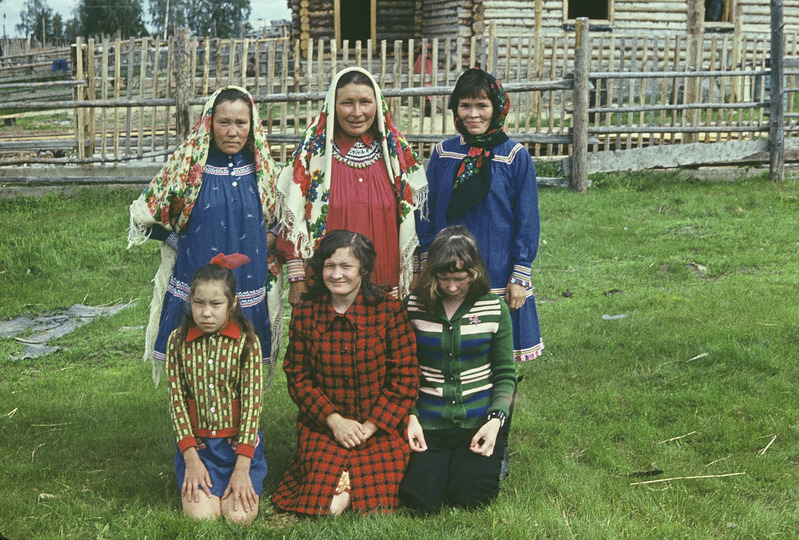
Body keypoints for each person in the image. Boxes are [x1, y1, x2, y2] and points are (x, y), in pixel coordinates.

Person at [416, 67, 543, 476]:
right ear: (455, 108)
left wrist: (520, 276)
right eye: (465, 105)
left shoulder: (514, 157)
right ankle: (448, 434)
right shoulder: (444, 154)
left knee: (497, 361)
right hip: (447, 276)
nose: (473, 114)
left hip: (498, 276)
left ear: (498, 107)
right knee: (453, 356)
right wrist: (425, 263)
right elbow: (429, 210)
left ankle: (497, 439)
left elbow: (526, 218)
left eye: (482, 105)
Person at [128, 86, 282, 385]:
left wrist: (272, 236)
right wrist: (179, 243)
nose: (232, 132)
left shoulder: (265, 173)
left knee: (243, 362)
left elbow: (284, 216)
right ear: (209, 123)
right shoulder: (188, 168)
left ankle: (243, 423)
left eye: (241, 123)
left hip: (247, 279)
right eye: (224, 122)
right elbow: (149, 210)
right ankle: (194, 423)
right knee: (195, 361)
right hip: (197, 277)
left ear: (252, 126)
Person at [272, 230, 419, 515]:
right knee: (325, 506)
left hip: (378, 429)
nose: (337, 274)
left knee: (375, 501)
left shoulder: (389, 312)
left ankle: (350, 482)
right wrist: (334, 421)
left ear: (363, 269)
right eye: (330, 266)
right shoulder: (306, 314)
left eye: (346, 266)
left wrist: (371, 425)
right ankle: (340, 482)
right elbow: (298, 375)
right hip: (323, 426)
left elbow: (405, 378)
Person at [275, 66, 427, 304]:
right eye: (347, 103)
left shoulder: (395, 155)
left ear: (378, 105)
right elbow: (292, 222)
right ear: (332, 106)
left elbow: (415, 221)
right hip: (328, 284)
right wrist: (296, 279)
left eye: (365, 102)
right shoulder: (313, 156)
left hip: (385, 282)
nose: (357, 112)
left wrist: (415, 271)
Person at [399, 226, 516, 514]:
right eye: (444, 278)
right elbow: (402, 370)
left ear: (475, 273)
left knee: (471, 499)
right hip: (428, 422)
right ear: (432, 274)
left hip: (478, 422)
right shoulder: (412, 306)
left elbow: (504, 374)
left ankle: (496, 452)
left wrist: (495, 421)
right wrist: (410, 417)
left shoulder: (494, 308)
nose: (452, 287)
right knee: (420, 501)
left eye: (460, 278)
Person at [166, 254, 268, 524]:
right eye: (199, 303)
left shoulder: (247, 343)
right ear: (190, 302)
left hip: (238, 450)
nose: (206, 312)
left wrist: (242, 468)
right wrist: (190, 459)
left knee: (240, 518)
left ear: (233, 304)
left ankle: (241, 479)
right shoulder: (177, 341)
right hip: (198, 450)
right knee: (202, 518)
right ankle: (202, 480)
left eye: (216, 304)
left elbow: (251, 408)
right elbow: (176, 403)